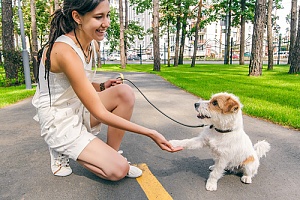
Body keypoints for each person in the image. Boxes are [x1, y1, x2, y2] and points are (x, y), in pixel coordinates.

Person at [32, 0, 182, 181]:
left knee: (124, 93)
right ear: (77, 17)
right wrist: (151, 133)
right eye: (99, 17)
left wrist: (103, 86)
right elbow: (100, 113)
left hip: (78, 107)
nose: (106, 23)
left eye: (108, 15)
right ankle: (60, 147)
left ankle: (111, 154)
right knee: (117, 171)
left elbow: (78, 84)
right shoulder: (64, 51)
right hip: (59, 120)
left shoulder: (91, 43)